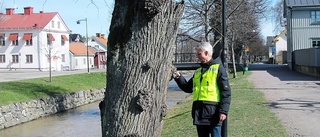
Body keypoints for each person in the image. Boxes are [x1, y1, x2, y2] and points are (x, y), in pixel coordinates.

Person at [172, 42, 231, 137]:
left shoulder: (218, 69)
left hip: (214, 113)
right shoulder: (199, 71)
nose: (197, 56)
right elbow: (188, 88)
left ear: (207, 53)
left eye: (199, 54)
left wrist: (223, 111)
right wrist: (178, 77)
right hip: (199, 112)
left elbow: (226, 92)